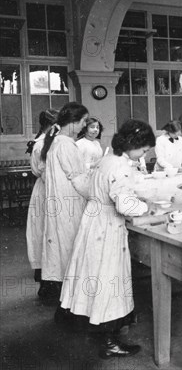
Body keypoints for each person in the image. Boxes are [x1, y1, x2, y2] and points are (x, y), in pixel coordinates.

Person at [60, 119, 156, 359]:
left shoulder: (107, 159)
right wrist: (147, 208)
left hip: (92, 222)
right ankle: (110, 342)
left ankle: (96, 328)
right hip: (107, 226)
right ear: (133, 144)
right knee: (110, 278)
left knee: (93, 277)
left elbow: (91, 186)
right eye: (144, 150)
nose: (143, 154)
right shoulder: (121, 167)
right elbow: (124, 204)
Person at [40, 102, 90, 304]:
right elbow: (79, 180)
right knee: (71, 250)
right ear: (73, 121)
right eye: (84, 121)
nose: (85, 125)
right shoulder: (67, 145)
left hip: (60, 205)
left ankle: (67, 298)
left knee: (62, 251)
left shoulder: (56, 142)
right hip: (69, 206)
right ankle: (73, 302)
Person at [25, 108, 59, 298]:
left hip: (54, 189)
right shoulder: (40, 145)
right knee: (45, 233)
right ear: (51, 124)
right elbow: (42, 171)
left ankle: (54, 282)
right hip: (46, 191)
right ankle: (47, 286)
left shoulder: (53, 142)